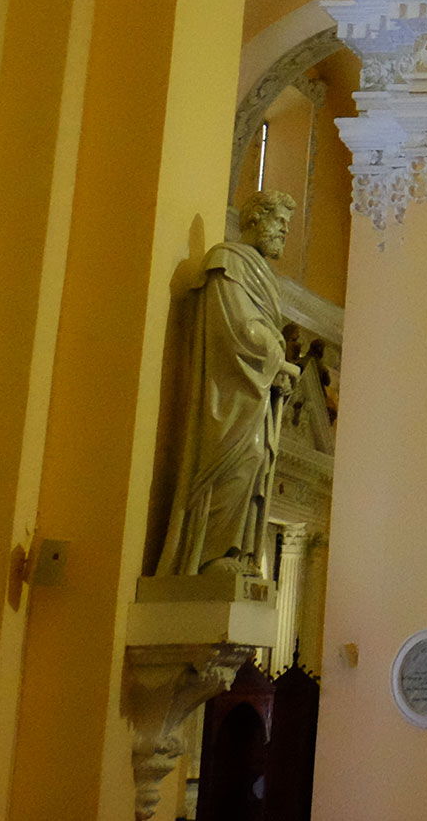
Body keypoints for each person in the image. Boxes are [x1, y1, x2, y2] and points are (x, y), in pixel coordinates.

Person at [159, 193, 299, 581]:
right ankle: (208, 557)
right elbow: (240, 330)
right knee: (243, 460)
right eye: (280, 224)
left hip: (254, 392)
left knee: (258, 463)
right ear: (254, 220)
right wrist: (281, 360)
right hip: (230, 395)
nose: (284, 233)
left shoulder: (260, 275)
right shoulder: (227, 264)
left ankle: (234, 552)